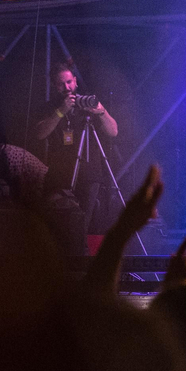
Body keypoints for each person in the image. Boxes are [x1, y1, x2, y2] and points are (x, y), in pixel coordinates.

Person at [33, 61, 119, 246]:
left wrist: (101, 111)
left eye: (69, 82)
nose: (67, 87)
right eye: (61, 84)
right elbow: (40, 134)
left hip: (89, 175)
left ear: (75, 81)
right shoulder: (50, 107)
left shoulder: (88, 104)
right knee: (62, 225)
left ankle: (78, 264)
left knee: (82, 226)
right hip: (60, 176)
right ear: (54, 86)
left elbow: (113, 131)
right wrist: (61, 111)